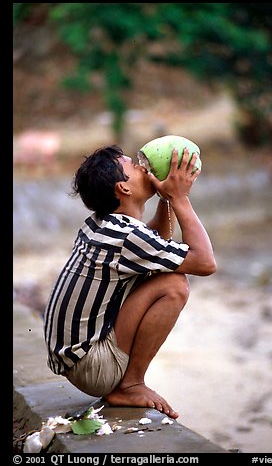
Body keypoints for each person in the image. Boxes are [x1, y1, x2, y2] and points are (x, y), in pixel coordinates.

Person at [44, 144, 217, 419]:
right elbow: (206, 262)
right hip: (92, 366)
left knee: (162, 273)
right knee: (174, 286)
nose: (143, 167)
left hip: (73, 359)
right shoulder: (125, 236)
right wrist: (181, 199)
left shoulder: (103, 224)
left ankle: (128, 382)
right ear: (123, 188)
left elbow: (152, 248)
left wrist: (167, 199)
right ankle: (131, 384)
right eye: (134, 166)